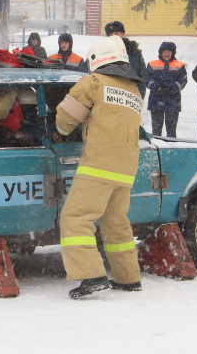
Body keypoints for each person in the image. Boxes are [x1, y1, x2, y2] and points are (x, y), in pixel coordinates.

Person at [55, 35, 143, 298]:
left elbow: (66, 119)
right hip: (126, 167)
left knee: (75, 218)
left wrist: (62, 130)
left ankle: (91, 275)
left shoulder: (93, 82)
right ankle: (128, 277)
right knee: (116, 222)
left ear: (96, 60)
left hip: (99, 164)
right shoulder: (134, 90)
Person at [146, 41, 187, 137]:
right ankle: (157, 144)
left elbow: (183, 81)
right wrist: (158, 88)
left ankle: (171, 145)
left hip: (173, 101)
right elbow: (147, 80)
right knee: (156, 129)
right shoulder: (152, 64)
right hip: (156, 100)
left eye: (169, 51)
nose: (166, 54)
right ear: (161, 53)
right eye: (164, 51)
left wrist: (171, 89)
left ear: (173, 53)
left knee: (171, 130)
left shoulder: (180, 65)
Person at [105, 21, 147, 98]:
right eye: (111, 34)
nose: (114, 36)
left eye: (116, 34)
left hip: (130, 97)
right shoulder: (102, 52)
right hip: (109, 97)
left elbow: (142, 77)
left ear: (122, 34)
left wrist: (139, 97)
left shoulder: (134, 54)